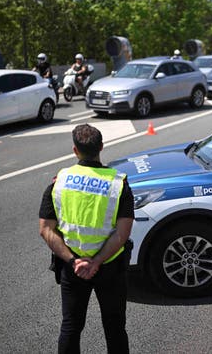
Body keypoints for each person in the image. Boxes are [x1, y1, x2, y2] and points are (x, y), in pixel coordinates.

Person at [39, 124, 133, 353]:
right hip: (110, 267)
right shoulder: (118, 184)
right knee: (114, 327)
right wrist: (97, 261)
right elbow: (122, 233)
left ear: (75, 150)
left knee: (71, 327)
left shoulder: (58, 181)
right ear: (101, 147)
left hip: (73, 268)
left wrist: (74, 262)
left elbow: (46, 230)